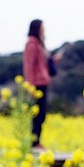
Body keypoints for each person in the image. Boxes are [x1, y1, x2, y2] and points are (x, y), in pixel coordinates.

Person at [22, 19, 61, 149]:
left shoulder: (39, 44)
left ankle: (36, 142)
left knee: (41, 114)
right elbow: (29, 66)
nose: (44, 29)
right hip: (36, 85)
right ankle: (34, 143)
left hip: (42, 82)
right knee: (37, 115)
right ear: (37, 28)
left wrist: (53, 61)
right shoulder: (31, 44)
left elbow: (41, 65)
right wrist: (30, 86)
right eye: (42, 27)